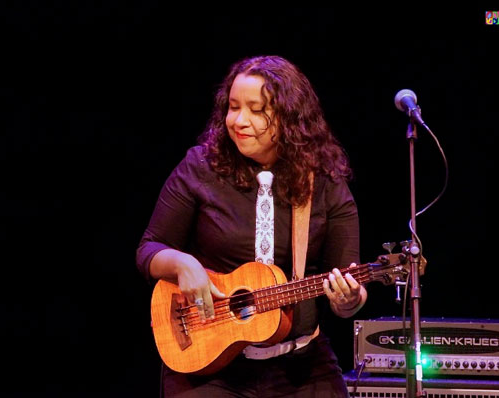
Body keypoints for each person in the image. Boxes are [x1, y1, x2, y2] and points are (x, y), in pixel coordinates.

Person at [137, 55, 367, 397]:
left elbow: (348, 284)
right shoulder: (200, 167)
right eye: (232, 107)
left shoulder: (325, 183)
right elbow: (149, 249)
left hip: (300, 365)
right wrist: (182, 263)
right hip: (208, 362)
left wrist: (349, 300)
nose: (239, 121)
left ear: (290, 118)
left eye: (256, 110)